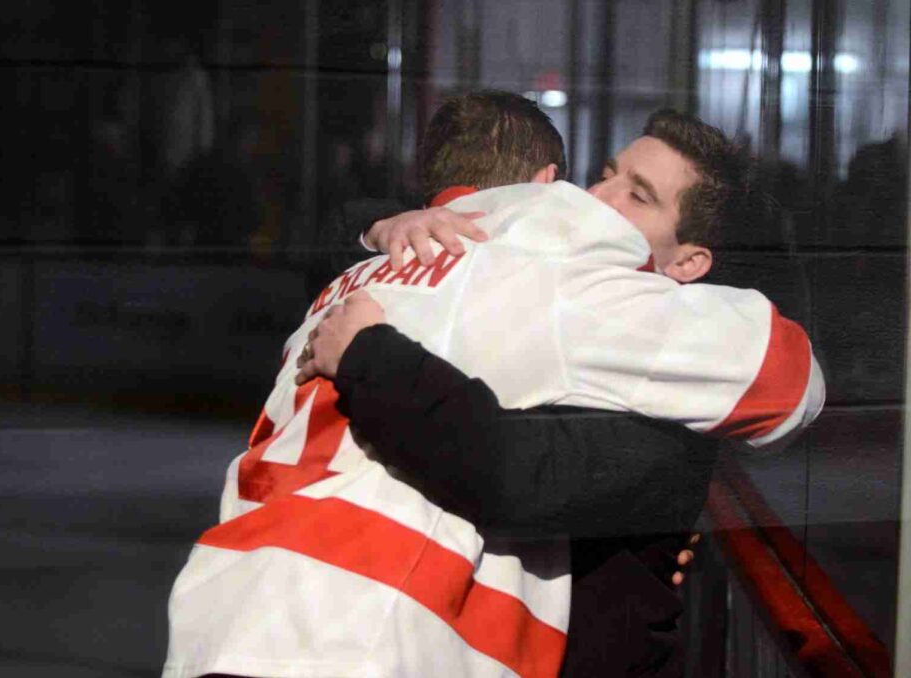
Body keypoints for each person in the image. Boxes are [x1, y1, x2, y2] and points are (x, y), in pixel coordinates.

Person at [163, 92, 823, 678]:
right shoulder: (543, 283)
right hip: (361, 630)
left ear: (691, 261)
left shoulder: (430, 280)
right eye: (605, 173)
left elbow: (509, 468)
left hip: (235, 606)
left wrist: (370, 340)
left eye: (637, 194)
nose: (597, 198)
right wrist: (379, 231)